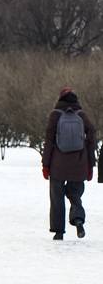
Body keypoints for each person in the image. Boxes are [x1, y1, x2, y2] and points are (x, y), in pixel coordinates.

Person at [42, 88, 96, 240]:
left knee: (57, 197)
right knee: (75, 194)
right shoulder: (81, 115)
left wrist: (45, 165)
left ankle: (59, 232)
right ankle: (78, 220)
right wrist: (90, 164)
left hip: (57, 165)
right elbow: (92, 135)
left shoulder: (55, 115)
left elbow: (49, 141)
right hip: (79, 163)